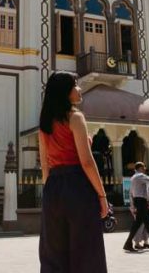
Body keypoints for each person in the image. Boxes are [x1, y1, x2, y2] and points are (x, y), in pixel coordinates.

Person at [38, 71, 107, 272]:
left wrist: (50, 193)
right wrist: (102, 196)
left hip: (53, 187)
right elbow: (86, 162)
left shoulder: (45, 123)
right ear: (65, 92)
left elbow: (45, 165)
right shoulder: (75, 117)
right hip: (77, 185)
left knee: (53, 253)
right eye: (75, 85)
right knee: (86, 251)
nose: (79, 89)